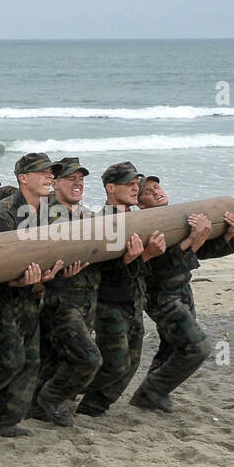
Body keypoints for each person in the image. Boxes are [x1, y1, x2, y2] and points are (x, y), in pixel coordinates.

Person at [0, 153, 65, 437]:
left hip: (30, 297)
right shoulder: (1, 215)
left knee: (30, 360)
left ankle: (3, 421)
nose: (50, 177)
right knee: (7, 360)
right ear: (23, 178)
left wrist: (55, 274)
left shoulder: (52, 212)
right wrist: (17, 281)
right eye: (43, 172)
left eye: (52, 173)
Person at [133, 174, 234, 410]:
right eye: (148, 192)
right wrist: (193, 238)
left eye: (157, 187)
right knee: (197, 347)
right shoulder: (143, 225)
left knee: (172, 345)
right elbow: (154, 266)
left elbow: (198, 253)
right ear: (140, 203)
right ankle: (153, 390)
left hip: (182, 288)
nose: (156, 192)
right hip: (161, 294)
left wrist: (228, 233)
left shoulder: (175, 218)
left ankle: (148, 395)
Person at [75, 162, 165, 417]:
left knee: (131, 363)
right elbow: (100, 271)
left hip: (133, 299)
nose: (135, 188)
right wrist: (142, 257)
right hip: (108, 303)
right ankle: (69, 396)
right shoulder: (101, 222)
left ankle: (95, 406)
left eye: (137, 184)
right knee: (115, 363)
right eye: (129, 184)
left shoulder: (137, 220)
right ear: (111, 188)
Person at [30, 157, 99, 427]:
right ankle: (50, 398)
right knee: (88, 358)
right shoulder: (45, 215)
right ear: (55, 182)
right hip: (59, 301)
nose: (78, 182)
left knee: (54, 358)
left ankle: (37, 406)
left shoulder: (87, 216)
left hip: (86, 300)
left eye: (81, 178)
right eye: (71, 178)